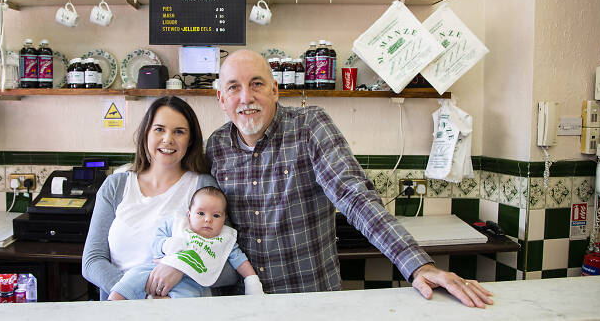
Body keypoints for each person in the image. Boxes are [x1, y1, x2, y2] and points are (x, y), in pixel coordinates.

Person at [205, 49, 494, 308]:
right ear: (221, 99)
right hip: (242, 303)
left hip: (311, 300)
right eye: (234, 87)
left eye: (257, 84)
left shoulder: (309, 127)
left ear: (275, 90)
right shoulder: (216, 146)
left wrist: (418, 266)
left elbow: (355, 196)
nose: (246, 97)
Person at [82, 96, 237, 300]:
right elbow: (92, 261)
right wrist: (137, 293)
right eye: (159, 129)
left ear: (190, 140)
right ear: (146, 133)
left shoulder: (203, 187)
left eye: (179, 131)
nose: (168, 139)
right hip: (121, 309)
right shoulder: (115, 186)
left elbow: (230, 268)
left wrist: (182, 269)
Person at [108, 186, 263, 300]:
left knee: (188, 301)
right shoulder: (178, 224)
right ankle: (114, 302)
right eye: (201, 213)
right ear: (189, 214)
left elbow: (239, 260)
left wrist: (252, 280)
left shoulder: (224, 238)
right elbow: (156, 242)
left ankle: (161, 305)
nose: (208, 219)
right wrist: (167, 244)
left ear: (224, 218)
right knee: (134, 276)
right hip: (158, 269)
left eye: (216, 215)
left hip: (192, 281)